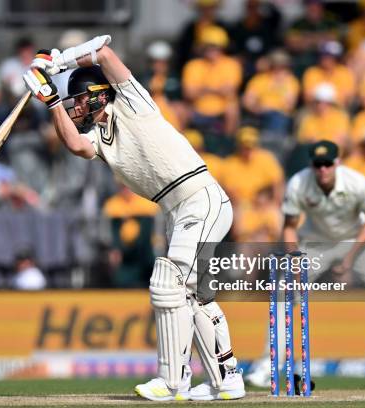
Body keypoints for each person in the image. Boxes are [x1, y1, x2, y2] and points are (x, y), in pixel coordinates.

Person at [22, 35, 245, 400]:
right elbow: (76, 146)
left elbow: (105, 53)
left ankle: (173, 382)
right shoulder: (96, 135)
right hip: (178, 210)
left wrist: (58, 63)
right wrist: (50, 102)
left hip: (200, 198)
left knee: (168, 283)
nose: (74, 108)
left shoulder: (131, 100)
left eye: (77, 101)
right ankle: (227, 378)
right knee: (196, 296)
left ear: (96, 94)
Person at [245, 140, 365, 388]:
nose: (323, 170)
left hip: (357, 238)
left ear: (336, 163)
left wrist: (350, 256)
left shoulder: (356, 183)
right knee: (284, 292)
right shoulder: (299, 183)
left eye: (328, 164)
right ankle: (267, 366)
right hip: (316, 242)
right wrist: (295, 261)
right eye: (318, 165)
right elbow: (290, 227)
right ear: (312, 166)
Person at [182, 25, 242, 138]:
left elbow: (229, 91)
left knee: (232, 108)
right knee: (181, 109)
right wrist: (217, 89)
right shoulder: (193, 65)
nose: (211, 50)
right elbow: (189, 94)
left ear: (222, 47)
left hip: (222, 110)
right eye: (207, 46)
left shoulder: (232, 64)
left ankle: (227, 143)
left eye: (215, 46)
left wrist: (203, 89)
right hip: (197, 109)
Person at [242, 49, 299, 135]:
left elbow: (289, 105)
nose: (278, 68)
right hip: (259, 114)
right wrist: (257, 109)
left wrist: (270, 107)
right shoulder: (259, 79)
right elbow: (247, 101)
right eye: (275, 64)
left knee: (276, 119)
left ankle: (270, 143)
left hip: (280, 116)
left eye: (282, 65)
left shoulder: (291, 81)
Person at [285, 0, 341, 77]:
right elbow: (293, 45)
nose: (314, 8)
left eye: (317, 5)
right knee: (299, 62)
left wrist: (306, 38)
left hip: (327, 55)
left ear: (322, 7)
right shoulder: (298, 24)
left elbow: (334, 42)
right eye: (311, 5)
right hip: (303, 56)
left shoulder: (331, 22)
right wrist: (321, 38)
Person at [302, 41, 356, 107]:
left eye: (329, 57)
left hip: (338, 108)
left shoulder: (344, 73)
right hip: (315, 108)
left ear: (336, 58)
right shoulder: (312, 72)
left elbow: (348, 97)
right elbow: (308, 97)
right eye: (323, 55)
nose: (325, 59)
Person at [297, 83, 349, 148]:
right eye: (318, 102)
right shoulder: (309, 119)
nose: (321, 106)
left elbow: (340, 140)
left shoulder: (340, 118)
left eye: (325, 102)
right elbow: (304, 139)